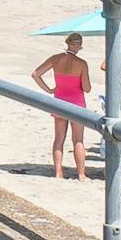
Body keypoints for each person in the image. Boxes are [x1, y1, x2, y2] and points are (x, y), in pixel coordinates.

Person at [33, 38, 94, 179]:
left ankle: (58, 172)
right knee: (78, 140)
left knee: (59, 138)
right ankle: (81, 174)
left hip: (59, 102)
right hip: (77, 104)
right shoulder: (82, 63)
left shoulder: (55, 59)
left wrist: (48, 90)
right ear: (78, 46)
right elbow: (87, 88)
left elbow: (36, 74)